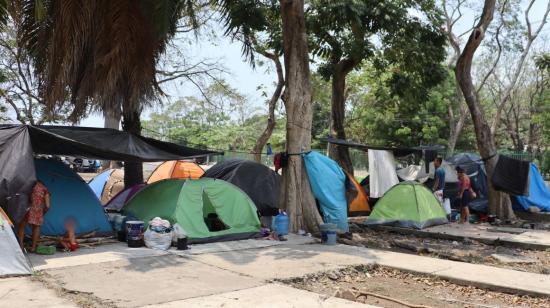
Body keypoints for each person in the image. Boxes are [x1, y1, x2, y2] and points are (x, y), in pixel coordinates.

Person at [17, 180, 50, 252]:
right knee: (36, 227)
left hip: (26, 209)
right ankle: (33, 247)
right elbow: (47, 206)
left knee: (22, 227)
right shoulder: (44, 189)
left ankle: (21, 246)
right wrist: (42, 213)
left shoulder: (27, 185)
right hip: (37, 211)